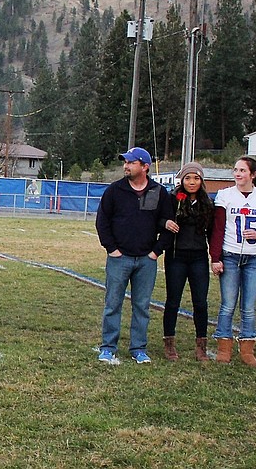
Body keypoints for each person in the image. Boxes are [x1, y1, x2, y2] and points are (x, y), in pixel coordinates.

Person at [95, 147, 174, 365]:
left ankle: (138, 347)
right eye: (125, 162)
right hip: (119, 258)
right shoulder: (114, 190)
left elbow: (168, 224)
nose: (126, 166)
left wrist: (156, 251)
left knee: (142, 306)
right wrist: (112, 249)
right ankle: (108, 346)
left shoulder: (159, 192)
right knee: (113, 304)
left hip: (146, 260)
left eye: (131, 162)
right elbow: (103, 221)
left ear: (145, 167)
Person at [210, 156, 256, 366]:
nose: (238, 174)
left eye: (242, 170)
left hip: (253, 256)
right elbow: (218, 229)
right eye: (236, 170)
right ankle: (224, 347)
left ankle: (247, 348)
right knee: (228, 304)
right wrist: (216, 257)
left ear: (253, 174)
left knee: (249, 306)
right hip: (230, 254)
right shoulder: (225, 195)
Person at [162, 162, 214, 362]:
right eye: (188, 178)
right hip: (176, 256)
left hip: (199, 257)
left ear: (201, 181)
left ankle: (201, 345)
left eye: (196, 178)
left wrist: (216, 257)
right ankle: (169, 343)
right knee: (173, 301)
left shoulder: (207, 203)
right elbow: (159, 218)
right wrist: (165, 223)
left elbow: (212, 231)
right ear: (181, 180)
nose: (192, 182)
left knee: (200, 302)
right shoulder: (172, 200)